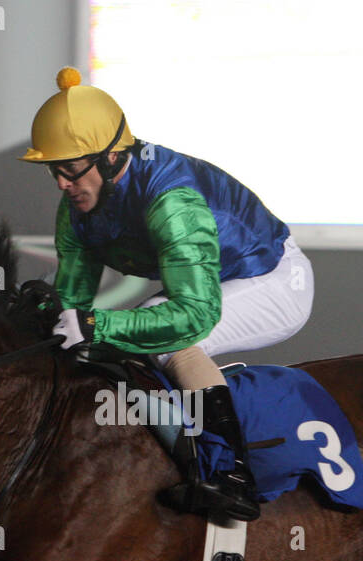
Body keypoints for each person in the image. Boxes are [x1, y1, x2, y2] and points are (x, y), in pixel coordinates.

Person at [20, 67, 313, 522]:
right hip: (216, 280)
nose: (61, 182)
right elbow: (72, 304)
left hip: (273, 280)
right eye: (52, 170)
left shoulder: (171, 200)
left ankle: (231, 475)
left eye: (70, 168)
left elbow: (195, 315)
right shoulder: (77, 205)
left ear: (112, 157)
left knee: (166, 332)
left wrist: (97, 325)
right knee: (123, 333)